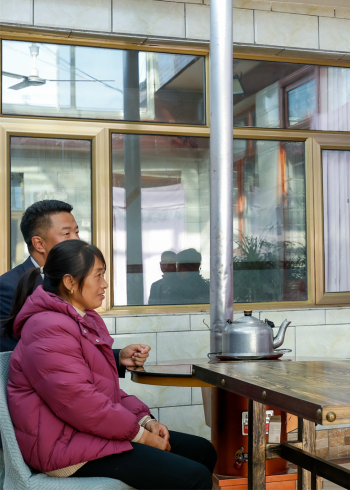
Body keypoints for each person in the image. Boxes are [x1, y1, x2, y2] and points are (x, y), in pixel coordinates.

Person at [5, 239, 216, 489]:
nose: (105, 284)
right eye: (98, 275)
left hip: (86, 433)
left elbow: (104, 390)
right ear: (70, 282)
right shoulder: (47, 327)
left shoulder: (82, 320)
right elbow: (81, 402)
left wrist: (145, 421)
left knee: (202, 451)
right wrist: (142, 436)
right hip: (64, 448)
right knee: (194, 477)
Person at [0, 200, 149, 375]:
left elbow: (78, 346)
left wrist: (118, 358)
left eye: (77, 232)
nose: (76, 239)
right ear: (39, 244)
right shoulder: (8, 287)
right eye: (66, 233)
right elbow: (23, 355)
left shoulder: (76, 282)